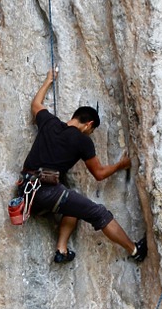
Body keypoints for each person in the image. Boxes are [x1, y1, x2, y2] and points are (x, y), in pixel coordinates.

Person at [20, 68, 147, 265]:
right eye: (91, 130)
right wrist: (120, 165)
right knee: (99, 214)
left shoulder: (49, 123)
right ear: (88, 124)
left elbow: (36, 105)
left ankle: (61, 250)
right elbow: (99, 173)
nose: (89, 134)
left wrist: (48, 81)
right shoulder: (82, 141)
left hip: (26, 192)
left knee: (74, 204)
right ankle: (134, 250)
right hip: (47, 192)